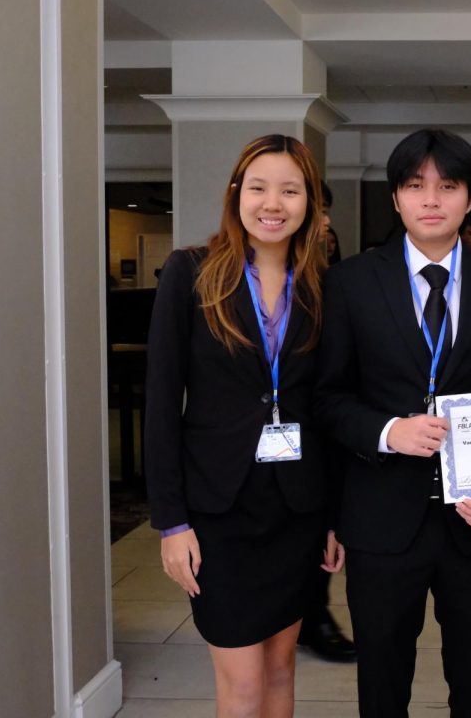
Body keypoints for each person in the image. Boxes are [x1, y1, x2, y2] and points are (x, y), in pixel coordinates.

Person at [315, 128, 471, 717]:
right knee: (382, 685)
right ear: (396, 198)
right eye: (415, 185)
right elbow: (328, 398)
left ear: (470, 199)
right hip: (381, 521)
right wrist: (388, 432)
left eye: (448, 186)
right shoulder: (351, 284)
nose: (431, 199)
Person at [144, 134, 343, 717]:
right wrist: (170, 521)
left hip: (296, 509)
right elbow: (162, 403)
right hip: (218, 510)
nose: (272, 203)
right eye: (258, 187)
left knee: (281, 674)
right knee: (242, 685)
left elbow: (325, 406)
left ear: (310, 203)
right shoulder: (191, 273)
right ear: (236, 194)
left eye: (290, 189)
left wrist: (334, 516)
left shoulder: (325, 286)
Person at [296, 181, 356, 662]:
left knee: (318, 537)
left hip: (321, 437)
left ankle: (313, 615)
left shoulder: (327, 282)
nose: (325, 222)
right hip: (251, 457)